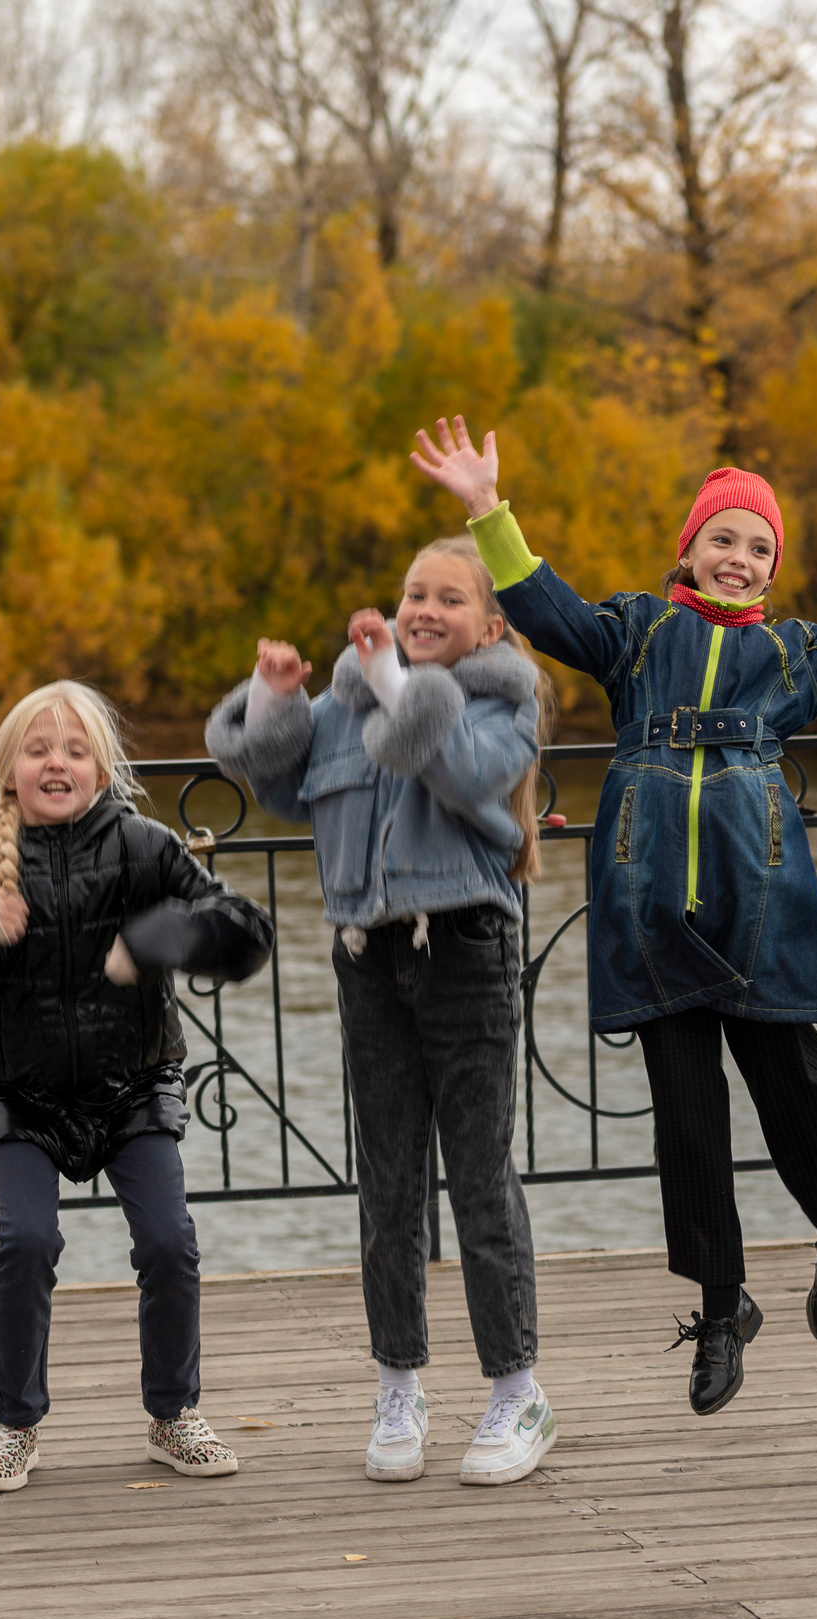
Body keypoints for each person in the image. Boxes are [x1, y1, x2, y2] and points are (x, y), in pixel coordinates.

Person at [408, 414, 817, 1416]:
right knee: (687, 1122)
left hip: (764, 913)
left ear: (771, 569)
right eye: (722, 539)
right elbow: (543, 604)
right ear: (686, 552)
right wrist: (487, 510)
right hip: (650, 914)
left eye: (757, 547)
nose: (738, 558)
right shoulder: (635, 637)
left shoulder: (790, 657)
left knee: (797, 1090)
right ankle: (720, 1303)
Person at [205, 535, 558, 1486]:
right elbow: (278, 782)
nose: (424, 609)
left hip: (467, 951)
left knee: (479, 1179)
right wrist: (278, 697)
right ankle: (399, 1383)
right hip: (368, 957)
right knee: (388, 1184)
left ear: (488, 625)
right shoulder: (351, 701)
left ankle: (516, 1391)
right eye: (413, 594)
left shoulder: (504, 703)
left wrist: (397, 687)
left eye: (448, 598)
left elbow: (465, 771)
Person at [0, 682, 272, 1491]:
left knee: (168, 1241)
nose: (58, 762)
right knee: (26, 1241)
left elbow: (247, 935)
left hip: (133, 1083)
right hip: (19, 1091)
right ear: (9, 770)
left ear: (102, 768)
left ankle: (172, 1414)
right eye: (39, 749)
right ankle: (12, 1425)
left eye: (76, 750)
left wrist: (158, 937)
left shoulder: (146, 845)